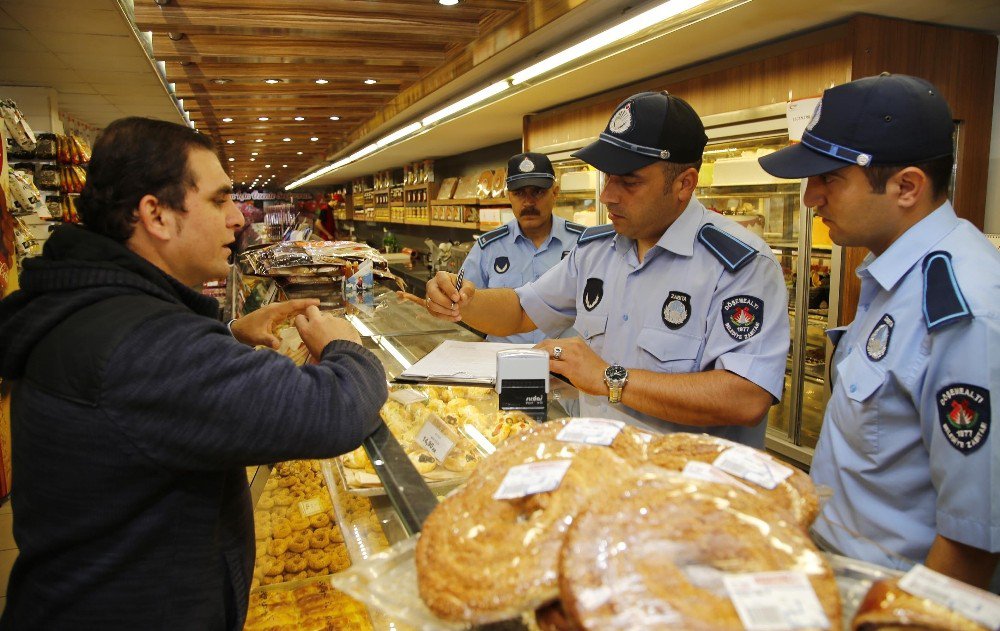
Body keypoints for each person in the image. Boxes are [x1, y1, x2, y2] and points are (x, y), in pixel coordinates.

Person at [0, 117, 388, 628]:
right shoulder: (140, 341)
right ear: (155, 215)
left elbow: (139, 393)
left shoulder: (95, 309)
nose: (237, 219)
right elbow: (331, 411)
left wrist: (228, 335)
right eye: (219, 200)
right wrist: (346, 348)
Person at [406, 91, 789, 446]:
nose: (608, 195)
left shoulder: (739, 265)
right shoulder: (597, 250)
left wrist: (609, 379)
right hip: (597, 467)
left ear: (684, 184)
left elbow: (746, 396)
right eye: (607, 178)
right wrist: (465, 302)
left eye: (629, 181)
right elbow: (523, 309)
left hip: (684, 494)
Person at [758, 73, 999, 587]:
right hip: (838, 572)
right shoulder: (893, 275)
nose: (810, 199)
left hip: (889, 597)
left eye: (829, 178)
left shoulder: (966, 314)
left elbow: (971, 545)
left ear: (906, 186)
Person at [457, 152, 584, 343]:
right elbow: (464, 303)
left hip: (564, 363)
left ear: (555, 193)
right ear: (509, 196)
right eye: (519, 193)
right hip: (502, 359)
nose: (528, 202)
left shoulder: (583, 244)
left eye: (538, 192)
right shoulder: (488, 247)